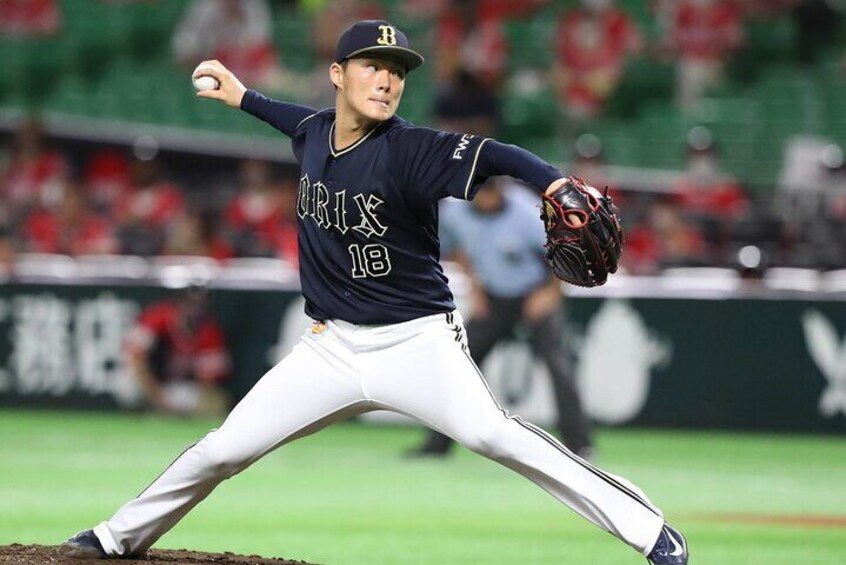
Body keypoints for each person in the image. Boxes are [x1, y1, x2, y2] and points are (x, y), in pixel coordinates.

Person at [57, 20, 688, 565]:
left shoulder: (414, 150)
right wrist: (242, 96)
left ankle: (652, 531)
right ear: (338, 74)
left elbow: (496, 153)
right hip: (330, 350)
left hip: (416, 343)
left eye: (397, 71)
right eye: (372, 67)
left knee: (495, 435)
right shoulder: (314, 132)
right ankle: (116, 538)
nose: (387, 80)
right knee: (221, 449)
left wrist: (551, 184)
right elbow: (291, 120)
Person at [407, 177, 594, 460]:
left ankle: (579, 444)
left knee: (558, 365)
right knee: (458, 362)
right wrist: (475, 286)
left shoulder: (527, 212)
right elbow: (454, 245)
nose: (486, 200)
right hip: (494, 297)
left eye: (492, 193)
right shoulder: (455, 211)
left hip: (535, 292)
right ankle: (438, 444)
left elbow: (564, 253)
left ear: (501, 190)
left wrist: (550, 294)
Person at [123, 284, 231, 417]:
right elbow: (134, 357)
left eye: (199, 304)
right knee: (128, 386)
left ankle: (171, 418)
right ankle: (139, 415)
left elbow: (208, 382)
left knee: (217, 401)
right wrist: (156, 395)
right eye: (189, 302)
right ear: (179, 302)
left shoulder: (209, 331)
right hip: (154, 385)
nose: (194, 309)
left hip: (184, 390)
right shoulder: (159, 317)